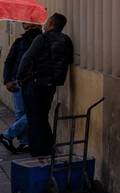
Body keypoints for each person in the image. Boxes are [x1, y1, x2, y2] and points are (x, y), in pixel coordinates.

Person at [17, 13, 74, 157]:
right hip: (52, 84)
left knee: (34, 118)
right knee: (42, 115)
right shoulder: (66, 40)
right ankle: (48, 147)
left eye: (47, 21)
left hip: (36, 83)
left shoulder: (42, 38)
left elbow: (27, 57)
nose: (45, 24)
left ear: (52, 24)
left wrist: (20, 77)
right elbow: (69, 60)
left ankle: (38, 150)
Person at [0, 22, 42, 153]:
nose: (27, 25)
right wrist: (7, 80)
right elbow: (9, 61)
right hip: (17, 83)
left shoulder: (42, 41)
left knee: (33, 112)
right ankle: (24, 143)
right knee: (21, 114)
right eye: (26, 24)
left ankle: (8, 134)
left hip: (33, 83)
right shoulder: (19, 42)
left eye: (31, 24)